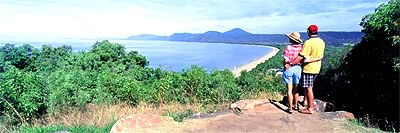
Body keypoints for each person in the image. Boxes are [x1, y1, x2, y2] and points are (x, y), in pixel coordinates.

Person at [289, 24, 325, 114]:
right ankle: (305, 102)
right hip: (317, 67)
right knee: (308, 87)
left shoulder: (308, 42)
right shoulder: (321, 42)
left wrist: (291, 63)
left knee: (309, 88)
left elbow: (302, 56)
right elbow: (321, 56)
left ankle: (310, 108)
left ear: (308, 32)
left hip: (309, 68)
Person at [282, 32, 303, 113]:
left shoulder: (288, 47)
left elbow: (285, 60)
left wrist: (286, 65)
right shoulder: (301, 48)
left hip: (289, 68)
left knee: (289, 89)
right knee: (296, 89)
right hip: (298, 69)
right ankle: (295, 105)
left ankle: (290, 108)